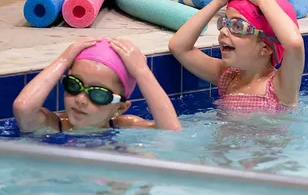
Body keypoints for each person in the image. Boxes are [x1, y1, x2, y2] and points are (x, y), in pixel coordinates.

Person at [169, 0, 304, 113]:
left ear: (266, 48)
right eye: (224, 22)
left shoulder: (280, 87)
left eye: (238, 27)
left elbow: (294, 43)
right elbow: (179, 47)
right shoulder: (228, 77)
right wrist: (219, 1)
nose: (223, 31)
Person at [13, 37, 182, 132]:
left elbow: (171, 132)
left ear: (120, 108)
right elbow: (23, 108)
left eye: (98, 94)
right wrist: (63, 61)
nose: (80, 99)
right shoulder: (52, 125)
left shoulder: (125, 125)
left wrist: (142, 72)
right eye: (74, 85)